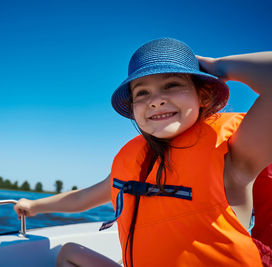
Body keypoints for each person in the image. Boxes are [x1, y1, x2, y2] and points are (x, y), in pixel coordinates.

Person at [14, 38, 272, 266]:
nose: (155, 100)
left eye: (171, 85)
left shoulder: (235, 155)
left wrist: (216, 67)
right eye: (142, 92)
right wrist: (33, 206)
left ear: (203, 96)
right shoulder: (137, 164)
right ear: (134, 108)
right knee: (68, 253)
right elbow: (82, 199)